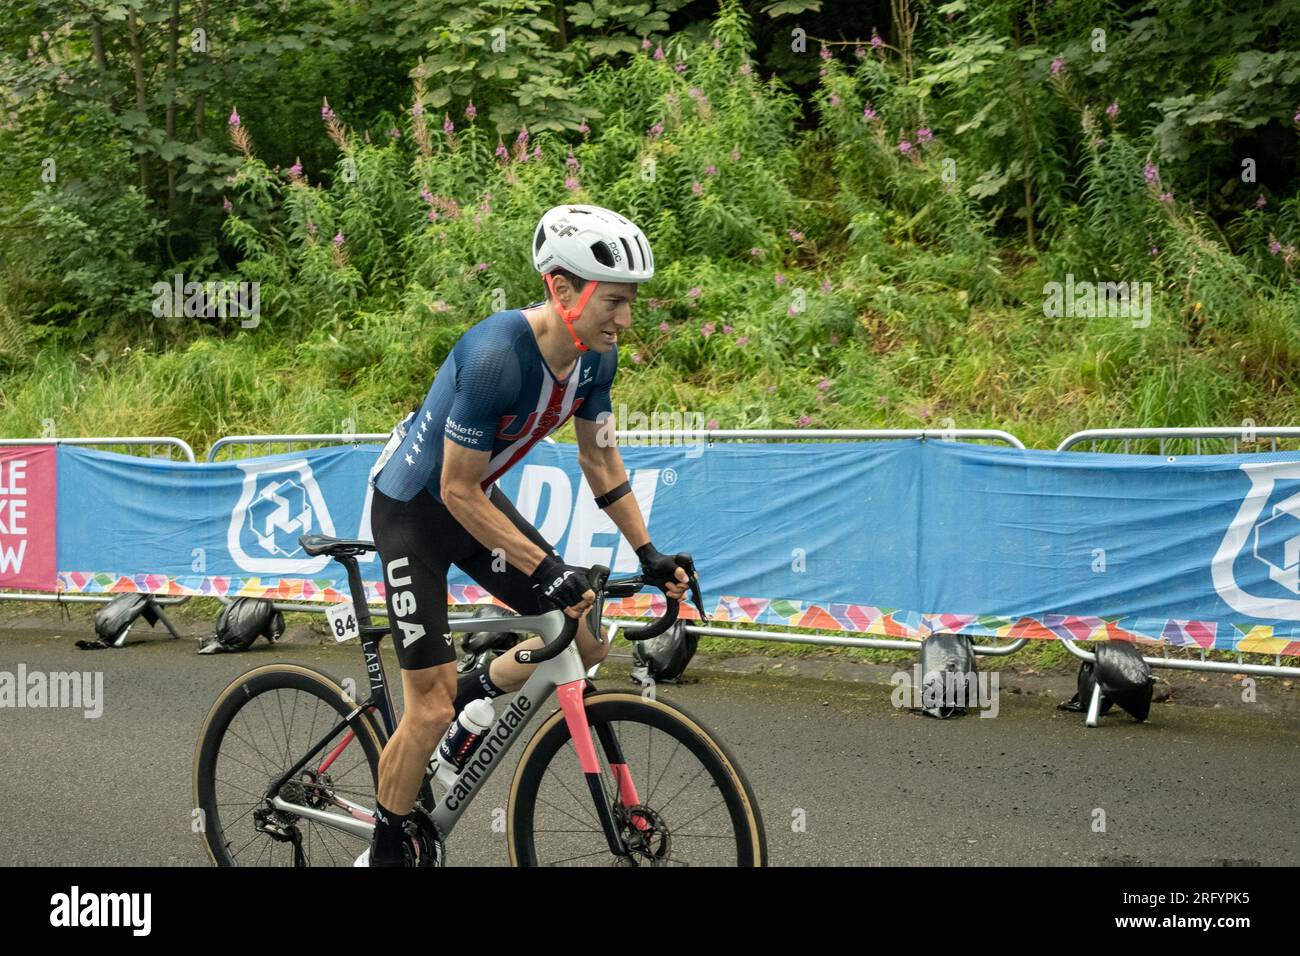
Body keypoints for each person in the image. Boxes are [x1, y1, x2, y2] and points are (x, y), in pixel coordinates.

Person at [357, 204, 690, 866]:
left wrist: (648, 551)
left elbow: (599, 460)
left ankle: (478, 696)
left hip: (474, 502)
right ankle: (385, 849)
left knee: (586, 637)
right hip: (415, 511)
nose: (626, 319)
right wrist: (545, 569)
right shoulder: (494, 356)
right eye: (615, 301)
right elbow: (453, 489)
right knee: (426, 708)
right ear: (562, 289)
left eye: (631, 302)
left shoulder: (597, 361)